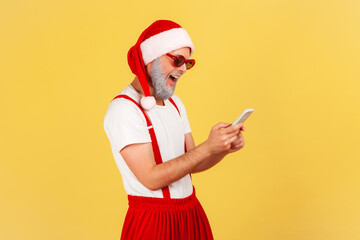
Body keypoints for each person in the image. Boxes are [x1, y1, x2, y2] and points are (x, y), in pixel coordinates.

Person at [104, 20, 245, 240]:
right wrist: (208, 147)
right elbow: (150, 178)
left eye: (187, 63)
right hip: (153, 221)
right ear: (151, 57)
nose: (182, 69)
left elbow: (192, 162)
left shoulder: (176, 104)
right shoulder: (124, 109)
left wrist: (222, 148)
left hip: (190, 213)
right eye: (178, 60)